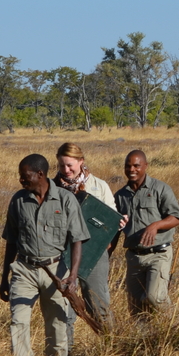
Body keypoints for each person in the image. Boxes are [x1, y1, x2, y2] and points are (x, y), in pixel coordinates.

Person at [0, 154, 91, 356]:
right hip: (24, 269)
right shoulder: (18, 200)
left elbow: (77, 239)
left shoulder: (65, 200)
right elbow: (11, 241)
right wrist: (4, 277)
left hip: (56, 271)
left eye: (25, 176)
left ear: (40, 174)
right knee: (18, 322)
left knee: (57, 324)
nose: (21, 181)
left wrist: (73, 276)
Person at [54, 142, 117, 338]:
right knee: (65, 308)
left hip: (94, 254)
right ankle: (66, 354)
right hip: (62, 255)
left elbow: (111, 221)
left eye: (70, 165)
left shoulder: (99, 186)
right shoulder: (52, 187)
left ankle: (112, 345)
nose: (66, 170)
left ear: (81, 161)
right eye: (61, 165)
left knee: (99, 306)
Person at [112, 149, 179, 315]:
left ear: (145, 166)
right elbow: (115, 230)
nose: (132, 170)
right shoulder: (120, 196)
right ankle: (145, 338)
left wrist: (155, 226)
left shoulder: (160, 188)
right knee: (136, 309)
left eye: (136, 166)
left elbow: (177, 217)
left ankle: (175, 325)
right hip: (134, 257)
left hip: (159, 254)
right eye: (128, 166)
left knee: (155, 298)